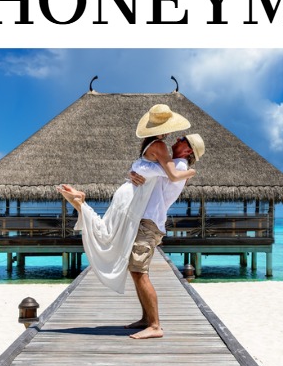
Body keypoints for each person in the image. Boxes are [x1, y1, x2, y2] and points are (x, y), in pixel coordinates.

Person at [57, 120, 205, 339]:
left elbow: (169, 174)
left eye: (182, 139)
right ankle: (146, 319)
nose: (177, 139)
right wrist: (133, 172)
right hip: (143, 220)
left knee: (139, 272)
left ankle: (155, 326)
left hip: (149, 222)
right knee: (136, 271)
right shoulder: (170, 163)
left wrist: (191, 172)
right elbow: (147, 170)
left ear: (188, 149)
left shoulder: (181, 166)